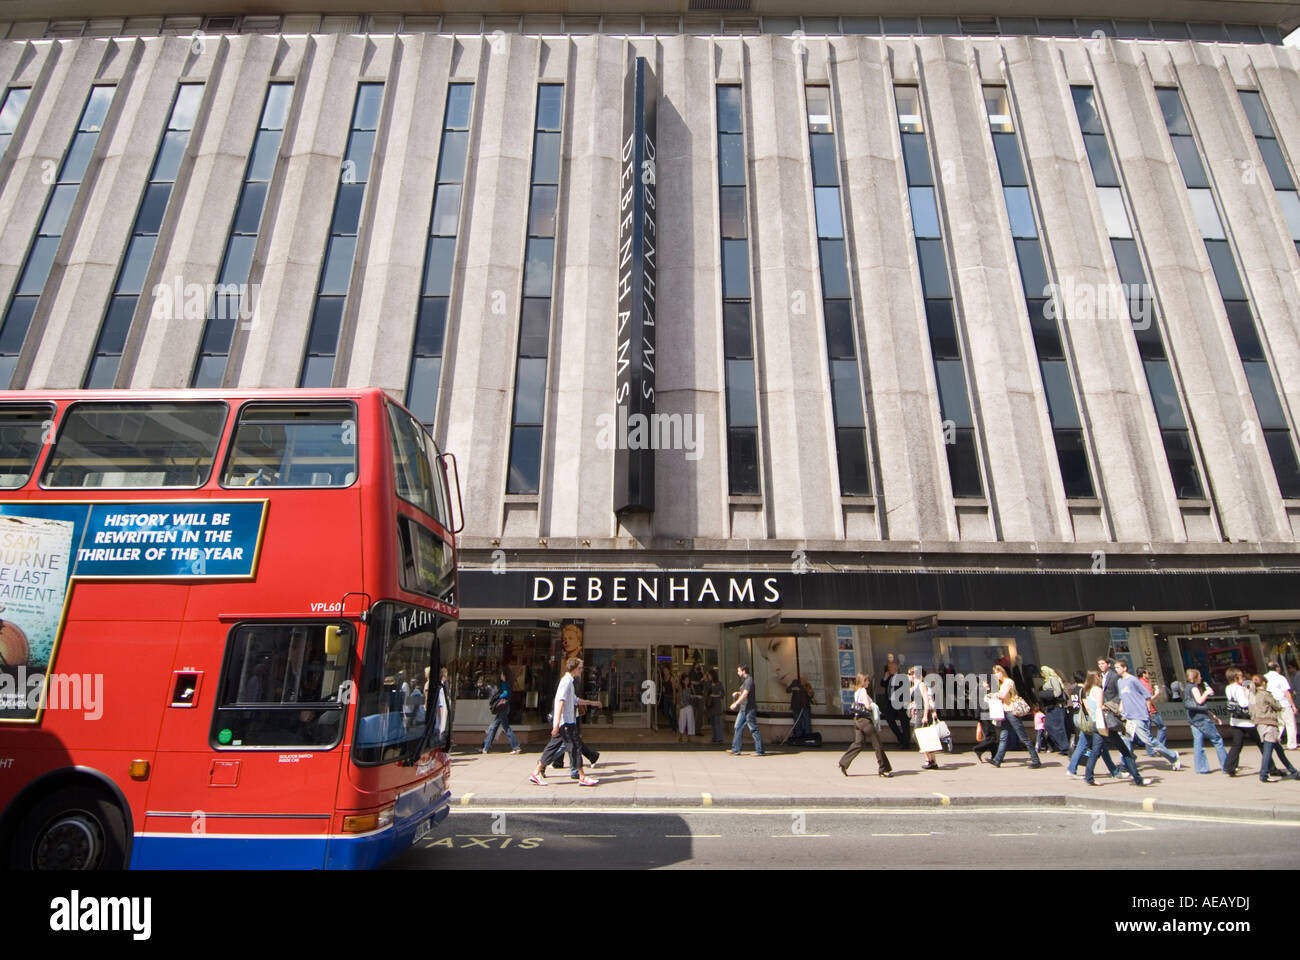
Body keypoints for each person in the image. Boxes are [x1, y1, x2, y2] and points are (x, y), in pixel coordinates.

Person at [530, 658, 601, 786]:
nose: (581, 670)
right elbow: (560, 702)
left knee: (552, 748)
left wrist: (591, 703)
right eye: (579, 668)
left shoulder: (569, 681)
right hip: (566, 723)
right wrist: (557, 723)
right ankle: (582, 776)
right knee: (575, 748)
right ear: (574, 668)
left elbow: (574, 700)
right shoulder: (566, 682)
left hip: (565, 723)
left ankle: (536, 773)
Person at [1081, 670, 1144, 786]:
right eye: (1100, 676)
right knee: (1125, 751)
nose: (1101, 678)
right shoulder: (1098, 690)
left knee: (1095, 751)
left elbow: (1090, 709)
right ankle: (1138, 778)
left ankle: (1089, 777)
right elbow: (1100, 706)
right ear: (1097, 678)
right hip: (1105, 724)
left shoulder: (1088, 691)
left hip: (1096, 723)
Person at [1116, 660, 1181, 770]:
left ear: (1125, 668)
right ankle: (1127, 764)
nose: (1116, 669)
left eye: (1118, 667)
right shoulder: (1120, 682)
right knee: (1125, 740)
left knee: (1148, 740)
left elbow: (1147, 696)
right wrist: (1120, 711)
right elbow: (1122, 698)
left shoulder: (1133, 680)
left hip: (1138, 715)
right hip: (1127, 717)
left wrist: (1147, 711)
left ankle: (1172, 756)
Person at [1224, 667, 1280, 778]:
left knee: (1237, 745)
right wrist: (1249, 694)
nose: (1244, 678)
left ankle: (1229, 766)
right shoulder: (1239, 689)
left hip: (1235, 721)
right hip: (1247, 722)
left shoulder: (1228, 688)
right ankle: (1271, 768)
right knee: (1262, 744)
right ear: (1236, 678)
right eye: (1241, 676)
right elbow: (1244, 703)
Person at [1249, 674, 1300, 782]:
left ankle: (1294, 772)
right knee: (1268, 750)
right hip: (1269, 723)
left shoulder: (1252, 695)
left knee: (1279, 750)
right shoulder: (1265, 694)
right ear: (1263, 683)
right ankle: (1264, 774)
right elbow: (1277, 706)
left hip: (1259, 723)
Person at [839, 673, 892, 777]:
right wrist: (873, 706)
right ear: (863, 681)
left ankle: (843, 762)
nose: (868, 682)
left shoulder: (856, 691)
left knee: (858, 743)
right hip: (865, 721)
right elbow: (867, 706)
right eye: (867, 680)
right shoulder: (863, 690)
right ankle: (883, 769)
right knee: (877, 745)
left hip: (858, 720)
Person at [990, 663, 1040, 768]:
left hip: (1012, 712)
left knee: (1023, 737)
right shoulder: (1003, 683)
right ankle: (997, 760)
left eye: (997, 673)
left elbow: (1002, 695)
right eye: (994, 674)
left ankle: (1035, 760)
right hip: (1006, 712)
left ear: (1002, 672)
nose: (996, 676)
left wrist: (993, 695)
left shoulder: (1007, 682)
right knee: (1003, 737)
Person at [1183, 668, 1227, 774]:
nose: (1201, 678)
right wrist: (1206, 693)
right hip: (1202, 718)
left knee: (1198, 742)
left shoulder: (1187, 688)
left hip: (1193, 718)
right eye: (1199, 676)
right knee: (1217, 740)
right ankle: (1226, 765)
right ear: (1194, 678)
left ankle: (1201, 767)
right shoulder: (1194, 688)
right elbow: (1199, 701)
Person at [907, 665, 940, 770]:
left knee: (917, 735)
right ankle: (932, 760)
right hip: (919, 712)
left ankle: (929, 759)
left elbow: (926, 700)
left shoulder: (921, 685)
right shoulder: (915, 686)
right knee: (924, 736)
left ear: (913, 675)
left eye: (908, 674)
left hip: (922, 713)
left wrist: (925, 715)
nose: (907, 676)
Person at [727, 664, 764, 756]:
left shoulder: (749, 680)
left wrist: (736, 703)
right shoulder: (745, 681)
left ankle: (759, 750)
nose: (737, 673)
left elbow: (745, 694)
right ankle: (736, 749)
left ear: (743, 671)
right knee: (737, 727)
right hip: (743, 708)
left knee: (753, 728)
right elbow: (743, 692)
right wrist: (738, 693)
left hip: (749, 709)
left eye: (739, 671)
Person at [481, 668, 521, 754]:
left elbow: (505, 693)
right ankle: (486, 747)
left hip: (502, 708)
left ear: (505, 676)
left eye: (502, 674)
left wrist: (498, 696)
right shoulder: (508, 684)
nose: (501, 676)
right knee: (495, 727)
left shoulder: (504, 684)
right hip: (505, 707)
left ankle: (515, 746)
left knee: (505, 727)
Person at [1264, 661, 1298, 751]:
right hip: (1283, 703)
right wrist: (1293, 705)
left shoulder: (1264, 678)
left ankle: (1275, 741)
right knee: (1290, 724)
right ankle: (1291, 744)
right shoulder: (1281, 678)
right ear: (1277, 668)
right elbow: (1286, 692)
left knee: (1279, 724)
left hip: (1271, 704)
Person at [877, 661, 911, 747]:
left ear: (894, 668)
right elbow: (882, 684)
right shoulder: (889, 677)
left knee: (904, 723)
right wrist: (885, 677)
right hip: (890, 703)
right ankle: (900, 738)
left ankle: (906, 742)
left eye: (889, 668)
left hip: (900, 703)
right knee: (889, 719)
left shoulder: (901, 677)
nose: (888, 670)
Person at [1037, 665, 1069, 754]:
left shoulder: (1053, 679)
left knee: (1058, 727)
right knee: (1048, 726)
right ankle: (1061, 746)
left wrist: (1046, 695)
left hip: (1056, 706)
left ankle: (1065, 747)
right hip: (1050, 707)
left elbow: (1057, 692)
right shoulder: (1047, 681)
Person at [1138, 668, 1169, 757]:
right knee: (1162, 727)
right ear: (1144, 674)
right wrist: (1156, 693)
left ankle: (1150, 751)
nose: (1149, 675)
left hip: (1142, 710)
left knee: (1147, 731)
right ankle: (1158, 746)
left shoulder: (1138, 683)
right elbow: (1148, 698)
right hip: (1150, 709)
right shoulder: (1145, 684)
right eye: (1148, 673)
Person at [787, 675, 813, 742]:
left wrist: (810, 692)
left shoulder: (807, 685)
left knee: (807, 721)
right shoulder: (795, 683)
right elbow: (787, 690)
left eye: (806, 679)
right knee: (797, 722)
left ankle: (808, 736)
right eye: (804, 679)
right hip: (796, 706)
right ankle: (798, 737)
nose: (805, 680)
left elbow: (811, 696)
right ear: (801, 679)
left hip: (805, 706)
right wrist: (793, 688)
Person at [704, 670, 725, 744]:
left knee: (717, 722)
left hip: (717, 705)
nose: (709, 677)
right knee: (713, 723)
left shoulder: (719, 684)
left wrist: (716, 695)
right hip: (710, 705)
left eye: (709, 675)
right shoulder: (708, 683)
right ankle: (715, 737)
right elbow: (705, 692)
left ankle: (719, 738)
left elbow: (722, 694)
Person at [677, 674, 697, 742]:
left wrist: (692, 688)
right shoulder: (680, 687)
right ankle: (681, 735)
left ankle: (689, 736)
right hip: (683, 706)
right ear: (683, 681)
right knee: (682, 721)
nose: (687, 681)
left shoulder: (690, 687)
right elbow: (680, 696)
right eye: (686, 680)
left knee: (690, 721)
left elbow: (693, 695)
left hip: (689, 705)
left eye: (688, 680)